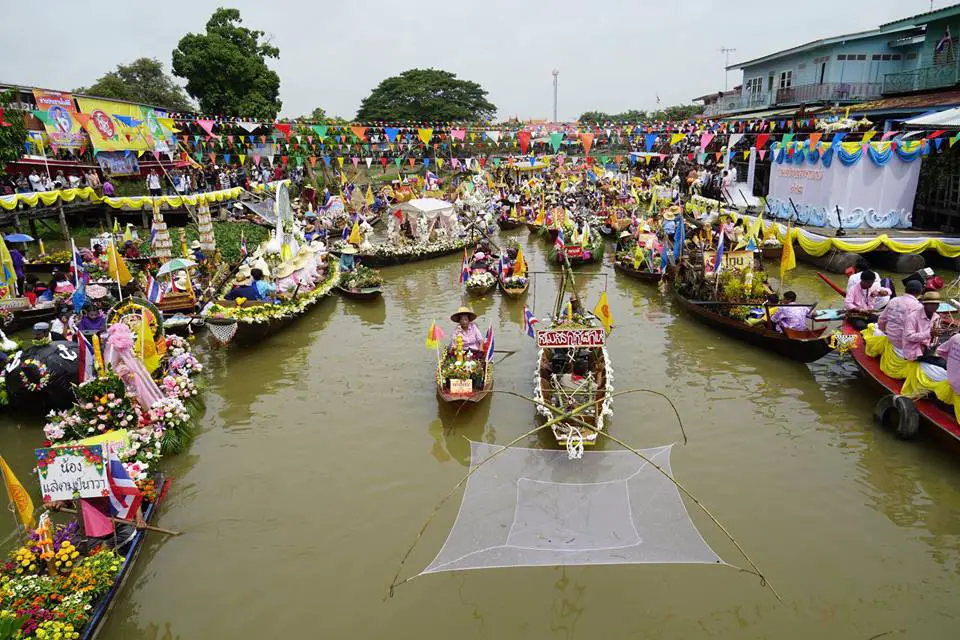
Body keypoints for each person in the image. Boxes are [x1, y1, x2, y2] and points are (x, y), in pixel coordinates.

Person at [877, 279, 923, 352]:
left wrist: (886, 332)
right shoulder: (918, 306)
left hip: (890, 337)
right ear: (920, 292)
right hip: (903, 344)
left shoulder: (894, 300)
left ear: (905, 289)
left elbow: (882, 320)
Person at [903, 291, 942, 364]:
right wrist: (929, 334)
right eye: (932, 304)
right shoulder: (912, 317)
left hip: (928, 348)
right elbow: (909, 336)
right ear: (925, 304)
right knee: (944, 364)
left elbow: (935, 338)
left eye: (937, 304)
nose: (935, 306)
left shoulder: (937, 317)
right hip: (914, 351)